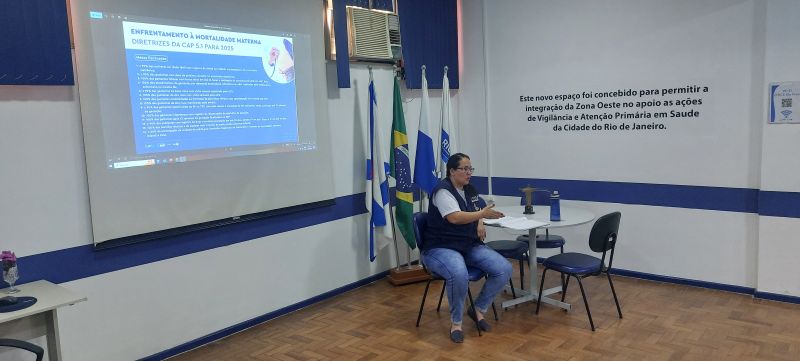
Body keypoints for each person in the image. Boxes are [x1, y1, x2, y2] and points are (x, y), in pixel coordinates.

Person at [421, 153, 512, 343]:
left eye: (471, 169)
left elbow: (477, 208)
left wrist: (480, 221)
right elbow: (455, 217)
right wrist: (481, 214)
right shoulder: (443, 191)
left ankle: (477, 309)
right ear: (452, 171)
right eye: (464, 169)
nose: (469, 173)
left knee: (504, 268)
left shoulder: (469, 189)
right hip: (440, 247)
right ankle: (456, 323)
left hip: (467, 244)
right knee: (458, 273)